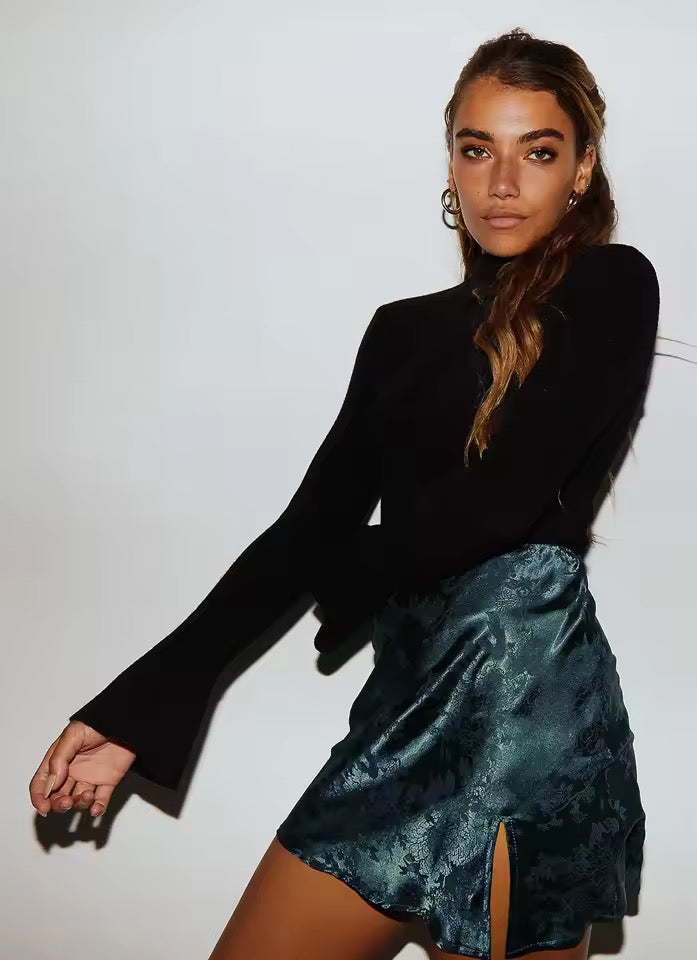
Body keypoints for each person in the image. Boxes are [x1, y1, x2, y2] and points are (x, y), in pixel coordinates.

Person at [28, 27, 660, 960]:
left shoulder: (612, 284)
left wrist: (353, 568)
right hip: (402, 707)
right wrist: (133, 709)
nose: (500, 182)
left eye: (537, 151)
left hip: (521, 716)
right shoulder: (400, 332)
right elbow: (303, 531)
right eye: (476, 149)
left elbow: (500, 504)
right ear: (449, 162)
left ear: (581, 167)